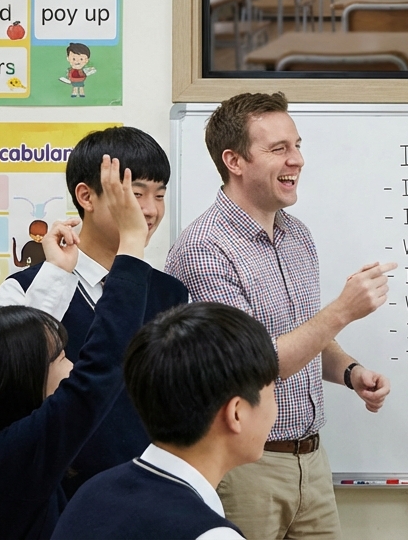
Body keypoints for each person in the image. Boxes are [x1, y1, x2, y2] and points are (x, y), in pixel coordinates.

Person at [166, 91, 394, 540]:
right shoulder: (204, 250)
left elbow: (306, 335)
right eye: (279, 149)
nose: (298, 160)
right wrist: (342, 311)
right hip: (244, 467)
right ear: (234, 161)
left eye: (297, 145)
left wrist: (350, 372)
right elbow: (250, 367)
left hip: (311, 461)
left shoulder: (297, 236)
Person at [0, 156, 152, 540]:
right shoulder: (12, 457)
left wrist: (56, 272)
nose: (71, 367)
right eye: (60, 359)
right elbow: (98, 372)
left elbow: (24, 342)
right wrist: (131, 245)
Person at [0, 126, 190, 496]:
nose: (149, 210)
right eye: (135, 195)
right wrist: (54, 277)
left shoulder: (171, 293)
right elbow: (15, 391)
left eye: (159, 195)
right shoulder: (24, 288)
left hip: (150, 491)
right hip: (59, 496)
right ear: (86, 196)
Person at [51, 302, 280, 540]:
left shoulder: (92, 491)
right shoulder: (211, 534)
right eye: (272, 392)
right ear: (236, 413)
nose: (275, 407)